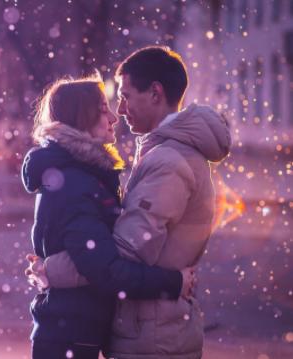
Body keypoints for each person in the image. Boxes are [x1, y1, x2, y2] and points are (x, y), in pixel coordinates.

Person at [26, 46, 231, 359]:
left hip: (153, 335)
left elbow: (121, 254)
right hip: (153, 329)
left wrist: (50, 270)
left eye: (125, 96)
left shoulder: (168, 161)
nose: (119, 110)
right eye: (111, 103)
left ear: (154, 93)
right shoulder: (162, 153)